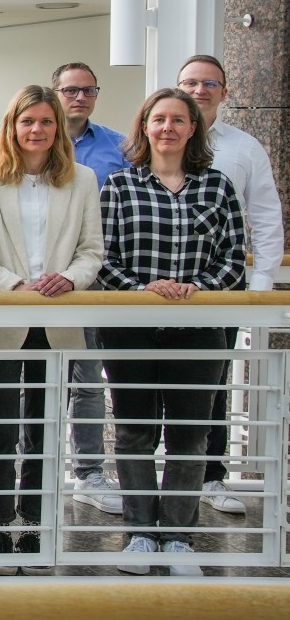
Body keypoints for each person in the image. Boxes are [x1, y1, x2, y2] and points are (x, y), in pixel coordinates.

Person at [98, 88, 248, 576]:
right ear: (144, 127)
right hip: (131, 327)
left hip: (199, 327)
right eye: (158, 119)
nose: (167, 128)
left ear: (192, 129)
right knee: (136, 433)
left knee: (190, 435)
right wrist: (146, 289)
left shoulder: (217, 186)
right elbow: (104, 258)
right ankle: (141, 534)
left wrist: (194, 288)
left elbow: (233, 257)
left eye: (177, 120)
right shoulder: (120, 186)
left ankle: (179, 538)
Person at [0, 86, 104, 575]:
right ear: (12, 127)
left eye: (46, 122)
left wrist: (70, 278)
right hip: (4, 315)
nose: (37, 130)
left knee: (44, 433)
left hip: (58, 318)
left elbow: (92, 251)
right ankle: (0, 529)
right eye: (28, 122)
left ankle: (34, 529)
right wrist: (14, 286)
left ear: (57, 129)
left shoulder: (82, 180)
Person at [177, 53, 284, 515]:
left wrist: (257, 291)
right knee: (146, 383)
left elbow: (264, 217)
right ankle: (148, 476)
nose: (200, 90)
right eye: (190, 83)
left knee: (212, 384)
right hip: (151, 288)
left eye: (209, 83)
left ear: (225, 91)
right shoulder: (153, 134)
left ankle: (212, 475)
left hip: (218, 286)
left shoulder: (244, 148)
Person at [49, 61, 127, 516]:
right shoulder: (31, 140)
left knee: (88, 379)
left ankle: (89, 472)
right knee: (35, 381)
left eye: (88, 90)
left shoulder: (119, 146)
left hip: (93, 279)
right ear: (54, 92)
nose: (79, 98)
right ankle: (32, 467)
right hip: (33, 285)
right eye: (70, 90)